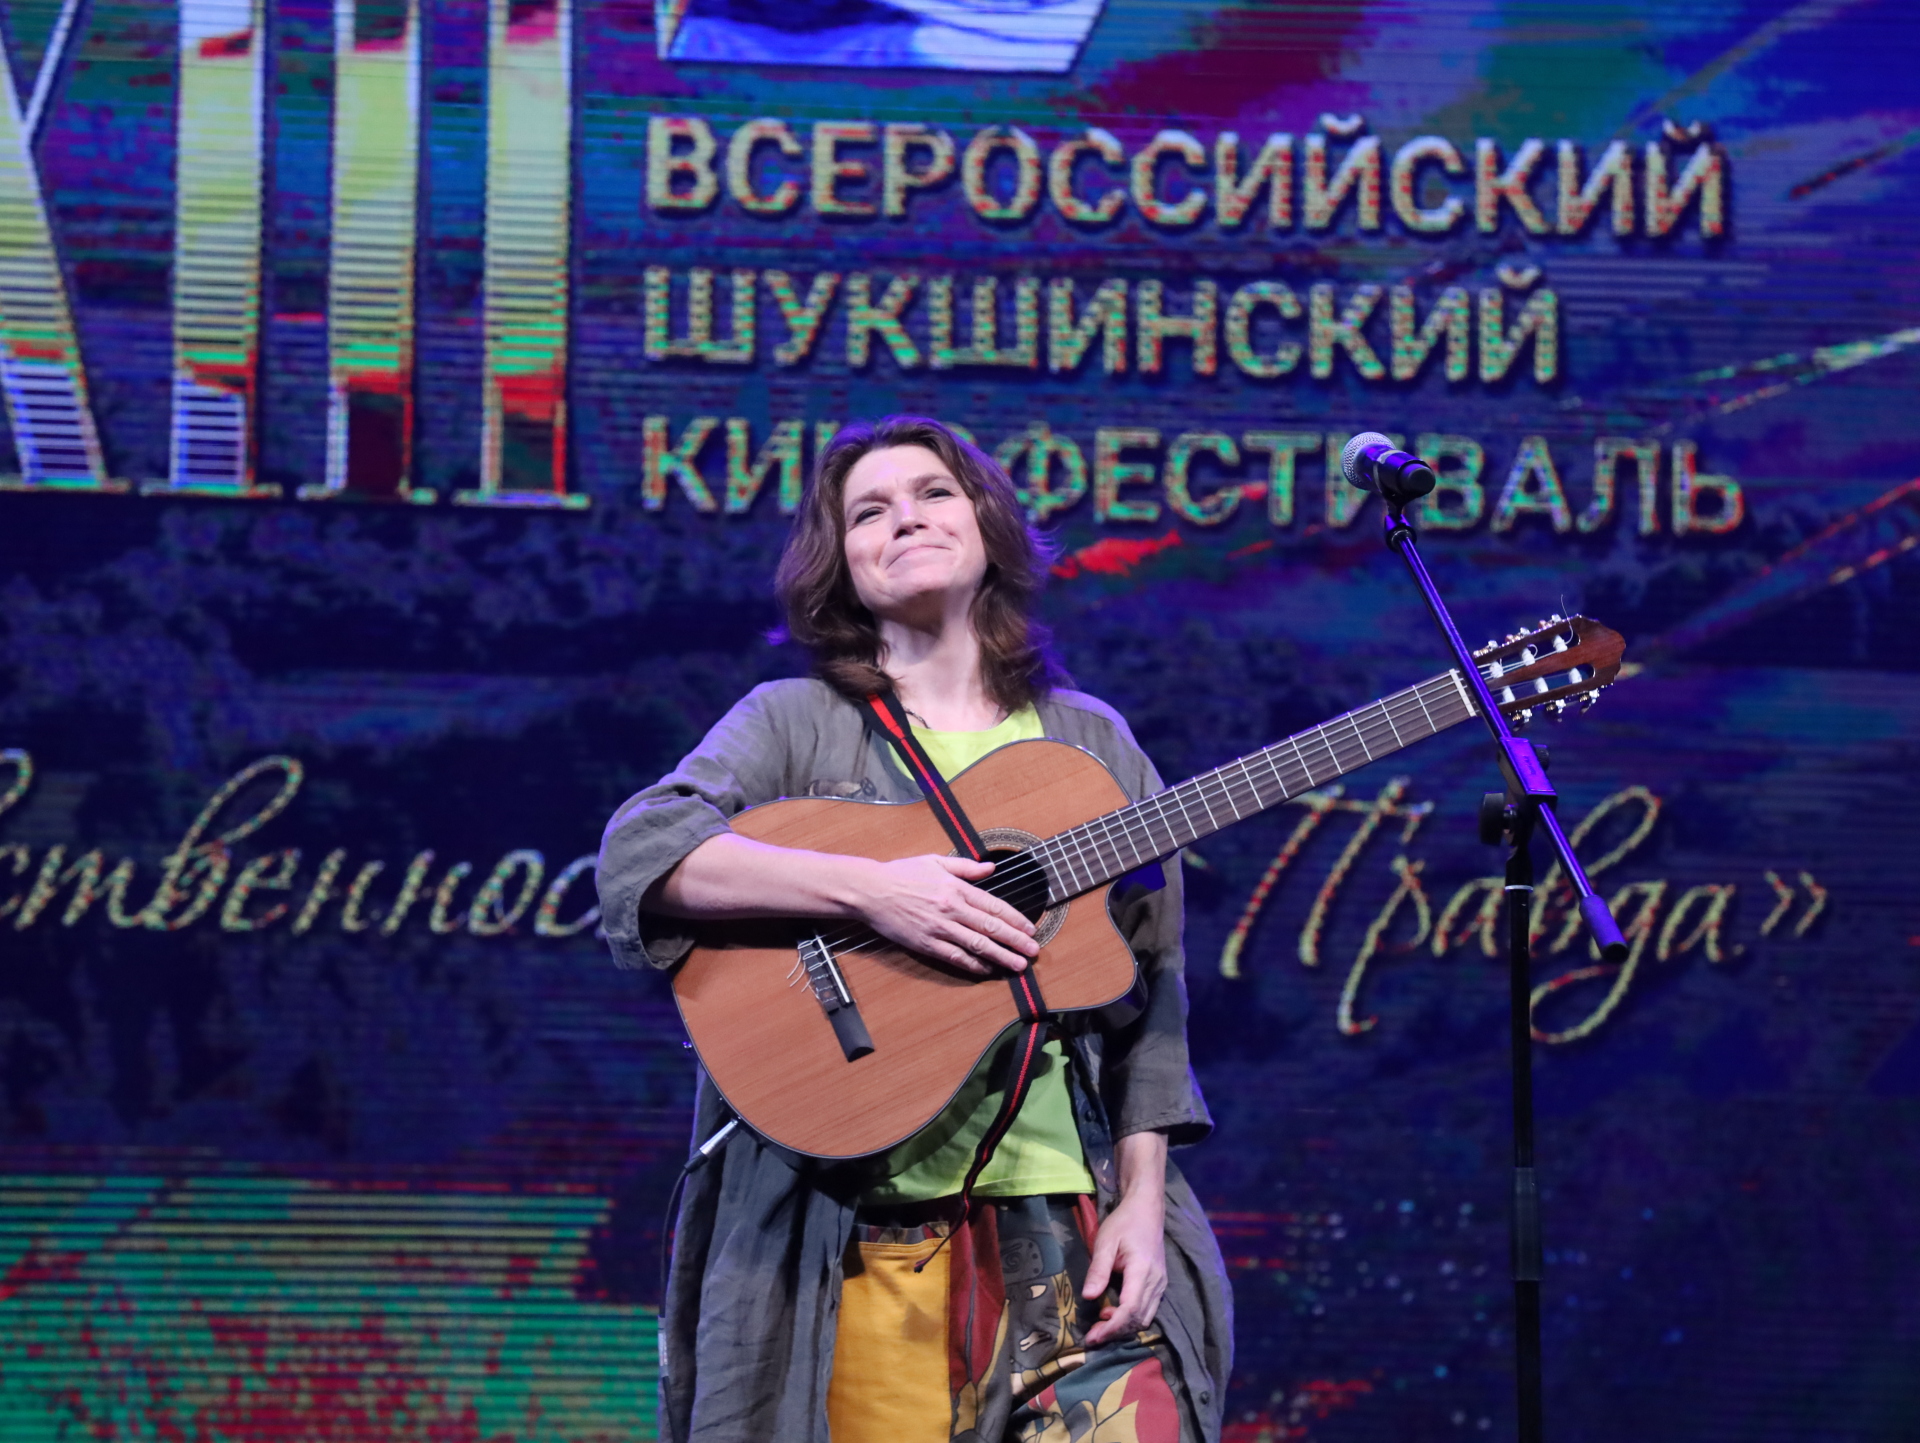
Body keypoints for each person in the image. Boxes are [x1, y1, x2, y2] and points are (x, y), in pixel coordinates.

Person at [596, 416, 1232, 1443]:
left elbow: (1153, 991)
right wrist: (874, 891)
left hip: (1068, 1213)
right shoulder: (794, 720)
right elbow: (642, 856)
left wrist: (1144, 1202)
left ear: (986, 524)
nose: (906, 520)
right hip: (855, 1228)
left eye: (934, 493)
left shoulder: (1091, 741)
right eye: (869, 512)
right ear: (841, 562)